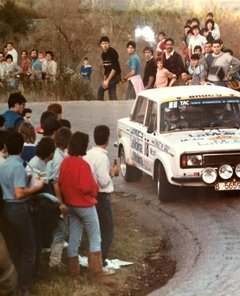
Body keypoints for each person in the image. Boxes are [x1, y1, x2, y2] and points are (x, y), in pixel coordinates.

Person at [58, 131, 114, 285]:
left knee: (74, 236)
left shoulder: (65, 162)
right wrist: (94, 189)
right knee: (95, 236)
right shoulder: (82, 164)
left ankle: (73, 272)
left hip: (71, 204)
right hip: (85, 204)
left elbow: (61, 182)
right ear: (83, 146)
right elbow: (88, 187)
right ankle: (97, 273)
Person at [0, 132, 44, 295]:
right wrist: (37, 187)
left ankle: (15, 281)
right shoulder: (18, 166)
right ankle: (23, 285)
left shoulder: (3, 164)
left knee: (15, 247)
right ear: (21, 149)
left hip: (6, 208)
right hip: (18, 207)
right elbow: (19, 193)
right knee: (29, 248)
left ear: (6, 147)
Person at [84, 125, 120, 274]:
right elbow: (104, 181)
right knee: (107, 231)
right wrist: (113, 172)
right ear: (107, 139)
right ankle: (101, 261)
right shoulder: (102, 157)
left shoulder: (88, 154)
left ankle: (94, 260)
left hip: (90, 196)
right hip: (102, 196)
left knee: (95, 230)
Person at [46, 127, 71, 269]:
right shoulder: (58, 158)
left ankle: (55, 260)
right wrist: (60, 203)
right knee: (61, 229)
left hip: (59, 196)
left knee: (60, 229)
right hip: (57, 197)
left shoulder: (61, 154)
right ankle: (54, 262)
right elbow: (55, 182)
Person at [97, 36, 121, 101]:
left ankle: (115, 108)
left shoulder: (113, 52)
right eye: (103, 43)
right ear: (100, 45)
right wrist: (104, 80)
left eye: (106, 43)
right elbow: (106, 69)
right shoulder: (103, 54)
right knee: (106, 90)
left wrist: (107, 80)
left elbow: (114, 68)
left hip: (115, 75)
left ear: (109, 44)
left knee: (109, 90)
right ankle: (103, 107)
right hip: (108, 75)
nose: (104, 45)